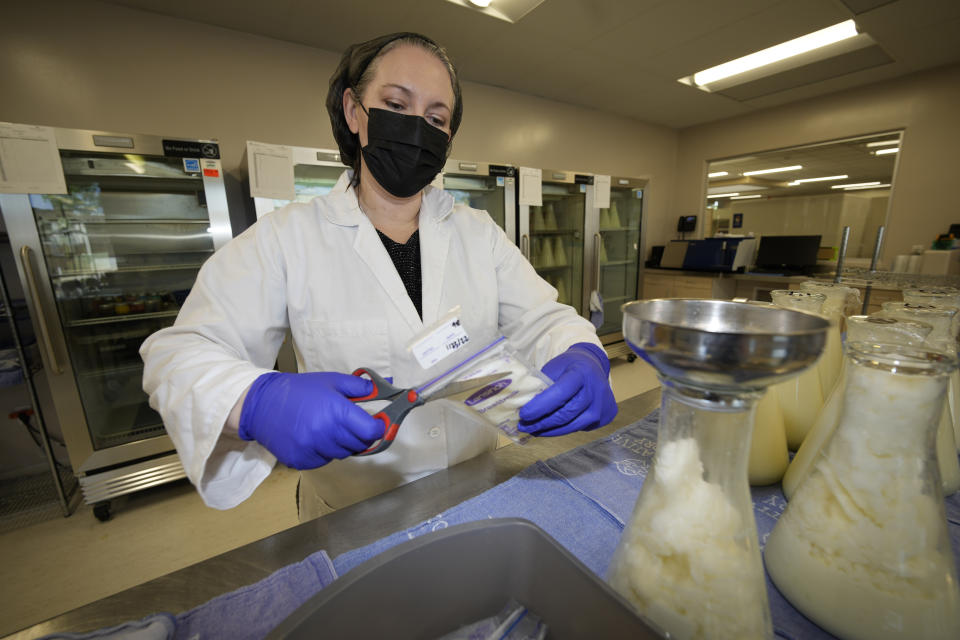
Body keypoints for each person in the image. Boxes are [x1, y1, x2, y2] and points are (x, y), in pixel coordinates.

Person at [140, 32, 617, 520]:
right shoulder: (288, 237)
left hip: (477, 492)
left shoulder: (479, 233)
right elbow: (177, 355)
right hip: (352, 512)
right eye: (395, 103)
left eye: (436, 118)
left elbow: (542, 318)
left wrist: (580, 354)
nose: (417, 128)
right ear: (353, 111)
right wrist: (257, 400)